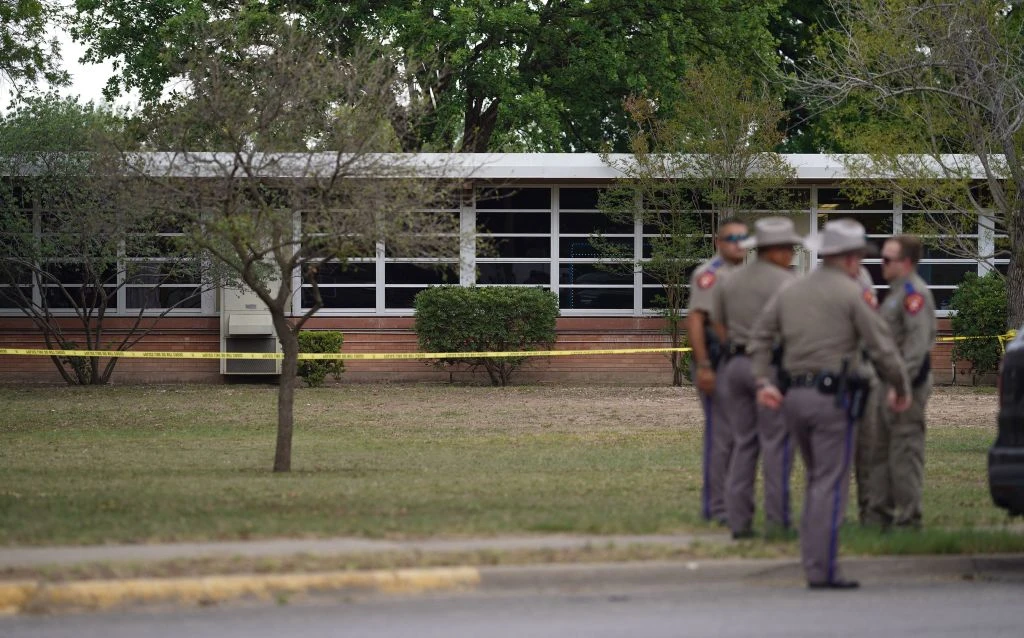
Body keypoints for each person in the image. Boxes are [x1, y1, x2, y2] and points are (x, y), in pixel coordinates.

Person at [749, 219, 911, 590]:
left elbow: (759, 336)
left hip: (793, 398)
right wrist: (900, 384)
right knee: (830, 483)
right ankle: (823, 571)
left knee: (816, 480)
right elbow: (881, 345)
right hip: (832, 401)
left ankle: (813, 561)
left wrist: (762, 381)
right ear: (852, 258)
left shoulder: (791, 290)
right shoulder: (851, 293)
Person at [711, 217, 802, 539]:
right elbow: (794, 330)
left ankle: (739, 521)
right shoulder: (787, 283)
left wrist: (737, 346)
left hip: (734, 364)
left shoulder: (728, 280)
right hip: (770, 367)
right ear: (775, 250)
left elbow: (717, 323)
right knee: (777, 446)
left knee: (743, 443)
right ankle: (777, 523)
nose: (792, 253)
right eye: (789, 247)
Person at [863, 235, 937, 529]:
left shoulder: (914, 294)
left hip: (906, 388)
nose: (881, 264)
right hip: (886, 383)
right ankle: (877, 519)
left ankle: (908, 522)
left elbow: (916, 348)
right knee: (879, 452)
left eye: (887, 259)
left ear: (905, 262)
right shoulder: (894, 293)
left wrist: (901, 386)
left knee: (904, 453)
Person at [687, 217, 749, 525]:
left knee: (740, 437)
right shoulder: (709, 275)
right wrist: (704, 365)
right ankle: (716, 507)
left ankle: (733, 502)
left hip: (741, 362)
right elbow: (697, 320)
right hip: (717, 360)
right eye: (732, 238)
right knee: (721, 436)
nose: (739, 244)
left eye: (743, 238)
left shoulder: (746, 274)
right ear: (718, 242)